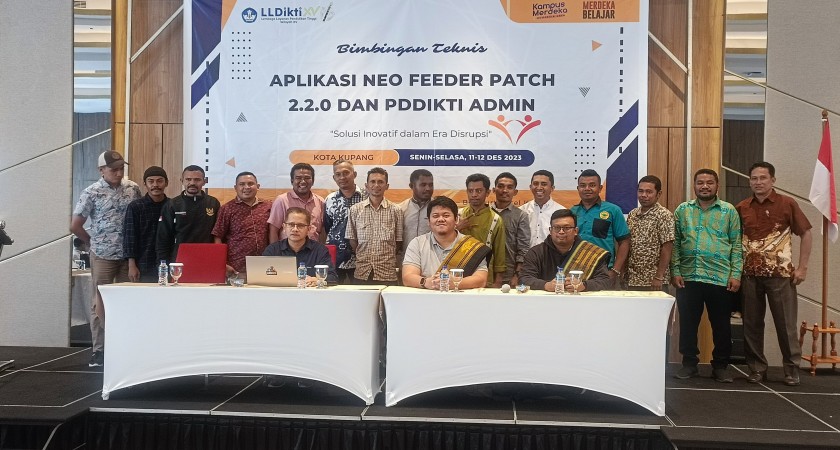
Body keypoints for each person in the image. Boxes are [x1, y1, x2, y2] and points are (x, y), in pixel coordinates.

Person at [736, 162, 812, 386]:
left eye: (763, 178)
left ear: (773, 180)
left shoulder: (787, 203)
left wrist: (803, 267)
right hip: (749, 275)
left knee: (785, 324)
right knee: (751, 324)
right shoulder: (742, 207)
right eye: (754, 178)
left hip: (780, 275)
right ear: (749, 181)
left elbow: (806, 233)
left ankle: (791, 370)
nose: (758, 182)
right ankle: (757, 368)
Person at [70, 150, 141, 367]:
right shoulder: (91, 192)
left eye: (121, 169)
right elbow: (75, 225)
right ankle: (99, 350)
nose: (118, 173)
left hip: (128, 255)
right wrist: (91, 242)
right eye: (113, 170)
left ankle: (125, 347)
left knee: (127, 301)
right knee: (99, 302)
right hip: (102, 255)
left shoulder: (133, 188)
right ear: (101, 170)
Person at [671, 168, 743, 383]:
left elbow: (736, 245)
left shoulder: (729, 211)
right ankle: (689, 364)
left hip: (720, 277)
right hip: (689, 276)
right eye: (700, 182)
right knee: (688, 324)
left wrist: (736, 274)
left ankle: (720, 366)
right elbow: (675, 244)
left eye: (709, 182)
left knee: (721, 325)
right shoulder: (683, 210)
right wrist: (675, 271)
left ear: (717, 186)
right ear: (694, 186)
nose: (704, 186)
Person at [402, 196, 490, 289]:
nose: (441, 219)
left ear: (456, 219)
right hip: (427, 296)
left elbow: (481, 280)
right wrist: (427, 282)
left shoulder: (472, 246)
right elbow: (408, 277)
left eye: (446, 215)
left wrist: (454, 283)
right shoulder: (417, 243)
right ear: (428, 221)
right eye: (435, 216)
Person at [520, 209, 612, 292]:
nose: (561, 232)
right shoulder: (536, 252)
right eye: (557, 228)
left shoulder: (591, 253)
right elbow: (524, 278)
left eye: (567, 228)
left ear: (575, 231)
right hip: (544, 302)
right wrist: (546, 285)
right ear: (550, 231)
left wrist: (584, 286)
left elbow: (605, 281)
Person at [571, 169, 630, 282]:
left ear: (600, 188)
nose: (587, 189)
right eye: (583, 185)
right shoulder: (572, 212)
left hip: (604, 271)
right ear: (578, 188)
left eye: (592, 185)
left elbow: (624, 242)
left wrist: (615, 271)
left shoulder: (613, 210)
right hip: (576, 271)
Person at [346, 167, 403, 285]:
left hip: (387, 274)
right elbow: (352, 240)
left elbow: (398, 242)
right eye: (372, 181)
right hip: (362, 272)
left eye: (380, 182)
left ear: (387, 186)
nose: (376, 185)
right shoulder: (355, 210)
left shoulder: (396, 210)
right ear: (366, 185)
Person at [156, 165, 221, 263]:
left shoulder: (213, 203)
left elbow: (219, 234)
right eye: (188, 179)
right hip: (180, 259)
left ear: (204, 181)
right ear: (182, 180)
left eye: (197, 180)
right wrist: (162, 264)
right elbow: (163, 238)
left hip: (207, 257)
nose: (192, 183)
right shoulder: (172, 205)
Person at [211, 171, 271, 276]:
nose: (246, 187)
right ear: (235, 188)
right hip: (236, 267)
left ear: (258, 186)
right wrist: (222, 263)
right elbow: (218, 236)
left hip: (264, 265)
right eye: (242, 184)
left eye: (250, 184)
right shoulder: (227, 208)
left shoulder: (268, 206)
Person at [262, 207, 337, 285]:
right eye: (291, 225)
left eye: (300, 225)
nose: (295, 229)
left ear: (309, 229)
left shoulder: (320, 250)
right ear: (284, 227)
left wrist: (317, 280)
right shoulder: (272, 250)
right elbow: (261, 275)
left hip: (309, 292)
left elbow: (333, 277)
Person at [625, 175, 674, 291]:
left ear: (658, 194)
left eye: (649, 192)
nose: (643, 195)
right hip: (633, 279)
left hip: (654, 281)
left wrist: (659, 276)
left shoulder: (664, 215)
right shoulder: (632, 214)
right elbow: (627, 244)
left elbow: (667, 247)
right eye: (640, 191)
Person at [458, 173, 506, 287]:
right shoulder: (458, 215)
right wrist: (457, 228)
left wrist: (498, 281)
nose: (474, 195)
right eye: (470, 191)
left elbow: (500, 253)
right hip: (457, 273)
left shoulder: (496, 219)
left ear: (487, 192)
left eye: (479, 191)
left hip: (485, 275)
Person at [323, 160, 367, 283]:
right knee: (333, 292)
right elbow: (327, 227)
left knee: (361, 292)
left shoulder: (367, 196)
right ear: (334, 178)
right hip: (336, 257)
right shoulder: (330, 199)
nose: (342, 177)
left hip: (362, 258)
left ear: (354, 174)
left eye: (346, 173)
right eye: (338, 174)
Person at [123, 166, 169, 282]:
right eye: (151, 181)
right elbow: (130, 237)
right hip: (143, 263)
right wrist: (131, 265)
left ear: (166, 183)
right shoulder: (135, 207)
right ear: (144, 183)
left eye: (160, 181)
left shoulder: (172, 206)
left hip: (168, 263)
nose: (155, 185)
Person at [490, 172, 531, 286]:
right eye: (501, 186)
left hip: (508, 275)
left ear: (515, 192)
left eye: (509, 187)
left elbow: (523, 248)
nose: (504, 190)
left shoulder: (521, 216)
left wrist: (517, 275)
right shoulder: (486, 213)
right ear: (494, 190)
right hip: (484, 272)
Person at [267, 163, 325, 243]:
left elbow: (322, 230)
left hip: (314, 249)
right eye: (298, 178)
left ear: (313, 181)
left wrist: (321, 249)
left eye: (307, 178)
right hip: (287, 250)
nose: (303, 181)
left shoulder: (320, 201)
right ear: (292, 180)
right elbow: (273, 230)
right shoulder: (282, 201)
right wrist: (275, 250)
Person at [522, 170, 565, 247]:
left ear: (552, 188)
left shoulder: (562, 212)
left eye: (544, 184)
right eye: (535, 184)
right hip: (526, 254)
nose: (539, 187)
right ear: (530, 187)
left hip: (552, 254)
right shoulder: (522, 211)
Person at [399, 169, 434, 248]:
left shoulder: (439, 209)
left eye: (431, 185)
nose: (428, 188)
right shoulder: (401, 209)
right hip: (406, 255)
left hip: (432, 255)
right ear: (411, 186)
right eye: (423, 185)